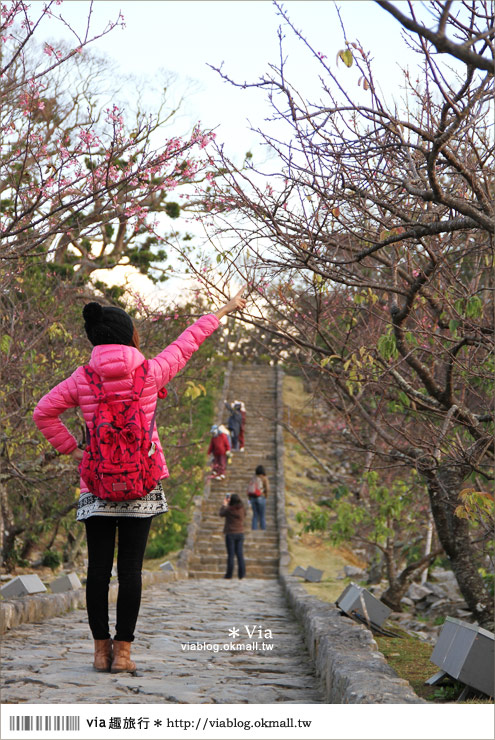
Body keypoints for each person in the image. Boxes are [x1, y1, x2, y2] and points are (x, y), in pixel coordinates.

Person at [33, 288, 246, 674]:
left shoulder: (81, 379)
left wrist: (76, 450)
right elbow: (186, 343)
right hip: (142, 482)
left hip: (96, 484)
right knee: (130, 570)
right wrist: (223, 310)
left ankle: (101, 652)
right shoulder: (150, 371)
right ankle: (125, 654)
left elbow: (43, 412)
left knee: (98, 570)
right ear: (129, 335)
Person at [219, 493, 246, 579]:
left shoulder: (229, 510)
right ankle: (241, 574)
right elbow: (245, 515)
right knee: (240, 554)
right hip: (240, 533)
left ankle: (229, 574)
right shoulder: (242, 509)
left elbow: (221, 513)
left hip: (230, 533)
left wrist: (224, 504)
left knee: (231, 555)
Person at [248, 465, 270, 531]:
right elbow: (267, 489)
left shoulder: (253, 478)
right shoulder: (264, 478)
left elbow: (249, 488)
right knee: (262, 515)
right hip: (261, 497)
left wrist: (249, 498)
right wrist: (266, 496)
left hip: (253, 498)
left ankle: (254, 529)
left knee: (255, 515)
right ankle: (263, 529)